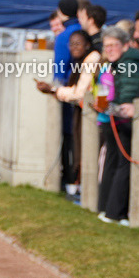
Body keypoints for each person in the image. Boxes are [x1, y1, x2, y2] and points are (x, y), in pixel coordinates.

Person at [36, 30, 100, 196]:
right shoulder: (78, 61)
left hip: (92, 116)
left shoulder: (91, 59)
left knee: (87, 152)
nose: (73, 47)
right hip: (81, 114)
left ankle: (86, 193)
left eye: (78, 43)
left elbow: (80, 93)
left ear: (87, 44)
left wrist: (54, 89)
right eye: (71, 44)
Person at [97, 27, 139, 224]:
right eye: (106, 45)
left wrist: (119, 108)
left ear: (125, 45)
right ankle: (110, 210)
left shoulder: (128, 62)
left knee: (122, 163)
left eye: (113, 45)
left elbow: (128, 91)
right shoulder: (112, 65)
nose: (109, 49)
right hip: (113, 118)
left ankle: (113, 211)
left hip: (122, 118)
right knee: (115, 162)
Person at [52, 0, 81, 82]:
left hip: (69, 84)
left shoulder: (63, 36)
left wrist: (55, 87)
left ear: (60, 12)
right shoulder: (84, 30)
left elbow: (60, 65)